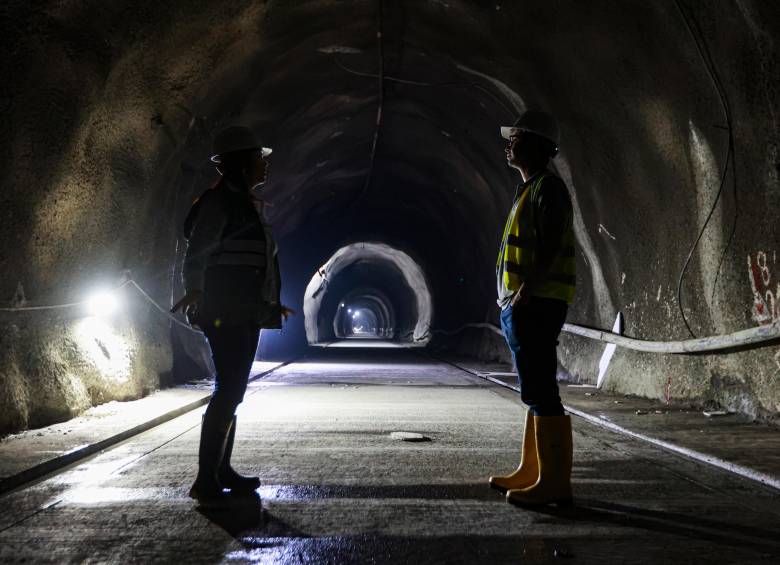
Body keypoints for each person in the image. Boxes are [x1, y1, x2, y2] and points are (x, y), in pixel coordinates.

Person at [171, 125, 294, 506]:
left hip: (243, 310)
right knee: (228, 388)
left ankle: (220, 470)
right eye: (259, 158)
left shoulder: (243, 205)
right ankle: (205, 477)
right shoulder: (219, 204)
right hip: (225, 310)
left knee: (234, 389)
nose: (265, 165)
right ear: (241, 163)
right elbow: (199, 253)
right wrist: (194, 288)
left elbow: (257, 264)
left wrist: (270, 305)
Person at [488, 110, 577, 506]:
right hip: (522, 301)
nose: (509, 143)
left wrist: (527, 289)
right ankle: (533, 470)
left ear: (539, 146)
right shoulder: (527, 190)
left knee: (542, 389)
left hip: (536, 301)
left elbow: (552, 243)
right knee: (533, 387)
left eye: (518, 137)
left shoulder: (548, 189)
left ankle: (554, 484)